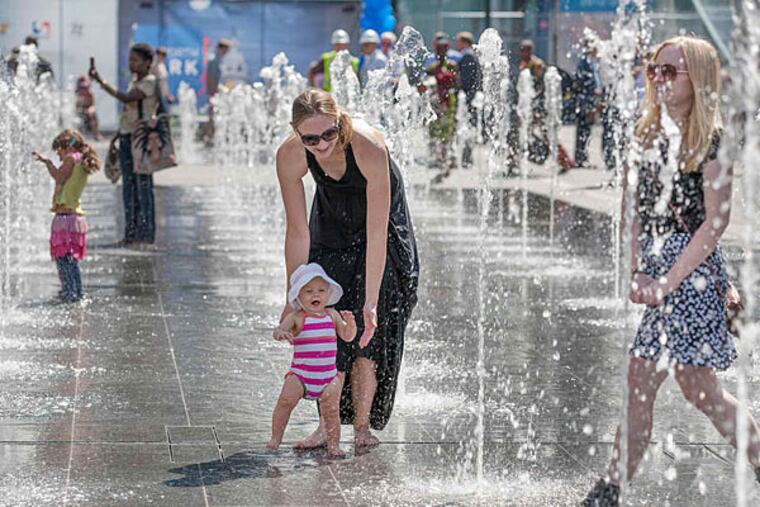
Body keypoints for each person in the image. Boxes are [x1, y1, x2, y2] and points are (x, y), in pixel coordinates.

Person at [582, 36, 760, 506]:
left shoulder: (712, 141)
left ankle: (610, 490)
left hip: (693, 276)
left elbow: (714, 226)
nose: (658, 79)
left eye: (670, 71)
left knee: (696, 391)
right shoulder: (645, 135)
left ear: (697, 79)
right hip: (661, 271)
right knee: (658, 385)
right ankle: (609, 489)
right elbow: (632, 213)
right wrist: (637, 269)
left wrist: (665, 280)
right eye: (654, 70)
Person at [276, 89, 418, 448]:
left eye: (329, 134)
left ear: (340, 122)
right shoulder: (291, 155)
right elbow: (296, 231)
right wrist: (293, 296)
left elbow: (376, 232)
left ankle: (362, 428)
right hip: (331, 224)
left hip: (380, 229)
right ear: (296, 133)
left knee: (370, 333)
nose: (321, 144)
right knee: (326, 325)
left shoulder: (369, 147)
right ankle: (327, 427)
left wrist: (371, 302)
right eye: (310, 138)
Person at [268, 263, 357, 457]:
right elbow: (278, 330)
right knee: (285, 401)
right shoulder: (297, 317)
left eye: (321, 290)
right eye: (308, 291)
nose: (315, 295)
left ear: (328, 293)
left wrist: (350, 325)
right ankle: (275, 439)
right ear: (298, 296)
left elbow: (347, 336)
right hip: (301, 375)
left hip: (328, 376)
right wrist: (282, 332)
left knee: (332, 411)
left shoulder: (332, 315)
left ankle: (333, 445)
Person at [89, 42, 158, 245]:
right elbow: (129, 111)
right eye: (130, 60)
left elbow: (127, 99)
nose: (131, 64)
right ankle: (131, 233)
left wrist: (101, 81)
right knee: (129, 187)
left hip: (141, 140)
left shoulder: (149, 81)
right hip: (128, 137)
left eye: (135, 60)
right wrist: (117, 136)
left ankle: (146, 234)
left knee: (143, 187)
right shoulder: (136, 80)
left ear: (147, 63)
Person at [32, 129, 100, 303]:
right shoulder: (81, 159)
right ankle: (76, 291)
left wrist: (47, 163)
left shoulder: (71, 159)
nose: (59, 157)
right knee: (70, 258)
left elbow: (60, 178)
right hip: (74, 217)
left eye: (58, 152)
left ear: (66, 147)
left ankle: (70, 292)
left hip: (66, 219)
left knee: (63, 258)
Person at [426, 32, 459, 168]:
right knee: (434, 128)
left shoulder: (452, 65)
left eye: (443, 48)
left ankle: (446, 155)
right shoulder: (432, 67)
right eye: (438, 49)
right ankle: (437, 155)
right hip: (435, 100)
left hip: (448, 100)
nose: (440, 52)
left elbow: (457, 83)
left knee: (447, 128)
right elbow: (426, 84)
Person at [573, 38, 602, 168]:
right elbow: (582, 82)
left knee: (586, 130)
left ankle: (582, 156)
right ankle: (580, 157)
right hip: (586, 101)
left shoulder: (590, 61)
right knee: (583, 129)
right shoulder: (586, 62)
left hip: (588, 100)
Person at [455, 31, 481, 167]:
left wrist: (463, 95)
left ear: (464, 42)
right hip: (472, 97)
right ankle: (467, 157)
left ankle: (467, 158)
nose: (456, 44)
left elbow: (466, 80)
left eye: (458, 41)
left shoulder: (467, 57)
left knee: (467, 127)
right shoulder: (472, 55)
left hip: (468, 98)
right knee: (469, 127)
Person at [75, 75, 101, 140]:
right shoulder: (77, 94)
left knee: (92, 113)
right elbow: (76, 105)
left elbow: (91, 104)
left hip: (87, 107)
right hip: (79, 108)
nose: (84, 90)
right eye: (82, 88)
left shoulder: (90, 94)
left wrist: (88, 109)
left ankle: (96, 133)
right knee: (76, 115)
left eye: (85, 88)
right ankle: (77, 135)